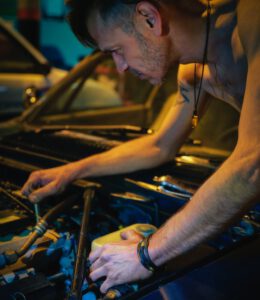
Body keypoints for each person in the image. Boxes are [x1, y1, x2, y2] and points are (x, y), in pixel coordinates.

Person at [21, 0, 260, 294]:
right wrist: (72, 171)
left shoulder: (252, 19)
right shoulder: (194, 74)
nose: (119, 69)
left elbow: (252, 163)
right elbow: (159, 146)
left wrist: (145, 254)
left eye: (116, 51)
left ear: (149, 18)